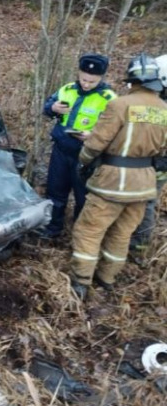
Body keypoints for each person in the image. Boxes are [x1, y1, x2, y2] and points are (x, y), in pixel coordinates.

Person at [69, 53, 167, 300]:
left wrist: (83, 163)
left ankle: (81, 282)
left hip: (113, 182)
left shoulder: (120, 105)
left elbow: (95, 143)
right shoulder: (164, 110)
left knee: (89, 230)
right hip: (144, 184)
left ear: (132, 81)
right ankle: (107, 278)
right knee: (122, 233)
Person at [39, 54, 117, 239]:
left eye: (92, 81)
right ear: (79, 73)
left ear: (101, 78)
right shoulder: (67, 89)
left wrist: (93, 136)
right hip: (61, 150)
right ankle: (52, 229)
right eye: (83, 79)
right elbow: (47, 106)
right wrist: (53, 108)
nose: (86, 84)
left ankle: (79, 235)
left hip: (87, 155)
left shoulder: (109, 99)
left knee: (83, 197)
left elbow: (116, 131)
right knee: (55, 192)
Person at [128, 53, 167, 264]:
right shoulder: (159, 103)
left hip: (157, 164)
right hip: (147, 161)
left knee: (146, 202)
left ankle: (139, 244)